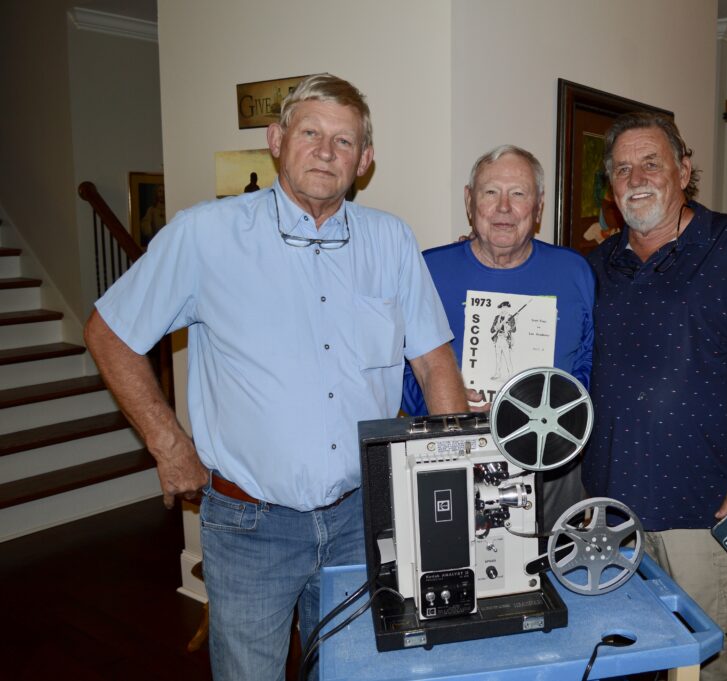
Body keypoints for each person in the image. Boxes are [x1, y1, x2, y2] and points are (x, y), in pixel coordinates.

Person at [83, 73, 468, 681]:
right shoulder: (204, 234)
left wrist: (447, 482)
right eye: (310, 132)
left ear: (364, 161)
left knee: (347, 671)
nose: (326, 151)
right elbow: (110, 333)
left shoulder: (390, 241)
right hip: (249, 525)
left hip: (357, 516)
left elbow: (433, 361)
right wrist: (168, 442)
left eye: (345, 142)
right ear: (276, 138)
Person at [582, 112, 727, 681]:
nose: (637, 177)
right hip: (609, 510)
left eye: (651, 163)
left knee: (710, 655)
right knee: (623, 656)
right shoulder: (596, 267)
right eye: (622, 168)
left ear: (684, 169)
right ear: (611, 186)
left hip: (704, 506)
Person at [402, 145, 595, 531]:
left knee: (550, 575)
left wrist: (558, 402)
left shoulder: (574, 271)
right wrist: (444, 401)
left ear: (538, 207)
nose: (504, 207)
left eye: (519, 194)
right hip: (453, 458)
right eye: (491, 192)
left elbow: (588, 361)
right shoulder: (428, 269)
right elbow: (404, 369)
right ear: (469, 201)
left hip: (551, 461)